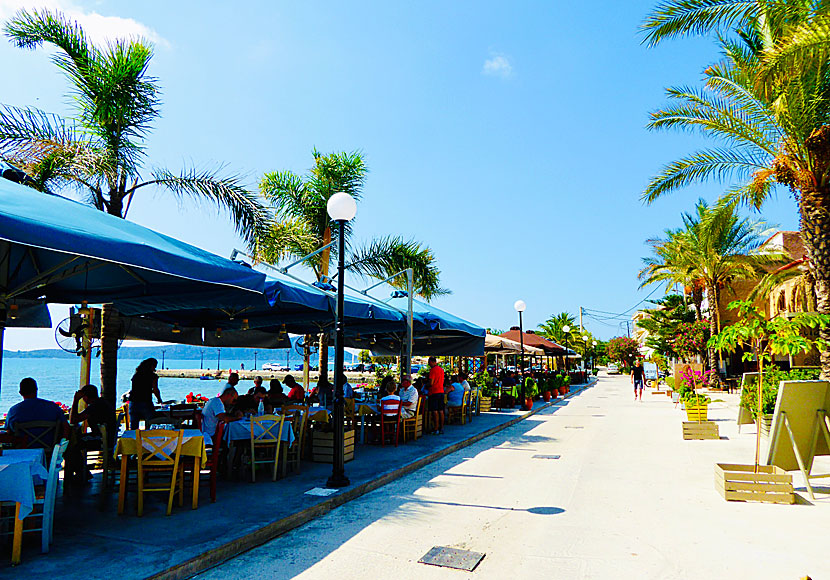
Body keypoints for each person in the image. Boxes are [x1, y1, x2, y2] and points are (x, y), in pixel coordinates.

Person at [67, 384, 117, 482]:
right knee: (75, 442)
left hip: (101, 439)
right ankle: (82, 471)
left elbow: (73, 420)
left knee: (72, 445)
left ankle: (81, 473)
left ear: (85, 396)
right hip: (107, 437)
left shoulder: (95, 406)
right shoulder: (101, 403)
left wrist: (75, 400)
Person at [5, 377, 69, 439]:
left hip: (23, 449)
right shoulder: (53, 407)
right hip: (50, 448)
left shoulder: (13, 411)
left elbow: (8, 432)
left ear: (20, 393)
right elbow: (66, 428)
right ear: (36, 390)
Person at [129, 358, 162, 427]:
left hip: (133, 402)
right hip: (145, 402)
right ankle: (146, 437)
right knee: (149, 423)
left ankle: (135, 437)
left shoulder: (136, 375)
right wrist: (159, 399)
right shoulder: (152, 376)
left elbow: (137, 388)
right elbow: (155, 389)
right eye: (154, 366)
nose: (155, 369)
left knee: (134, 426)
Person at [427, 357, 445, 435]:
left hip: (434, 392)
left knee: (434, 411)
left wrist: (426, 385)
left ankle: (436, 428)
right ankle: (441, 428)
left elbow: (431, 382)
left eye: (429, 362)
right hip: (441, 391)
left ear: (432, 362)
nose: (429, 364)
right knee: (441, 410)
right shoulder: (441, 370)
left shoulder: (433, 370)